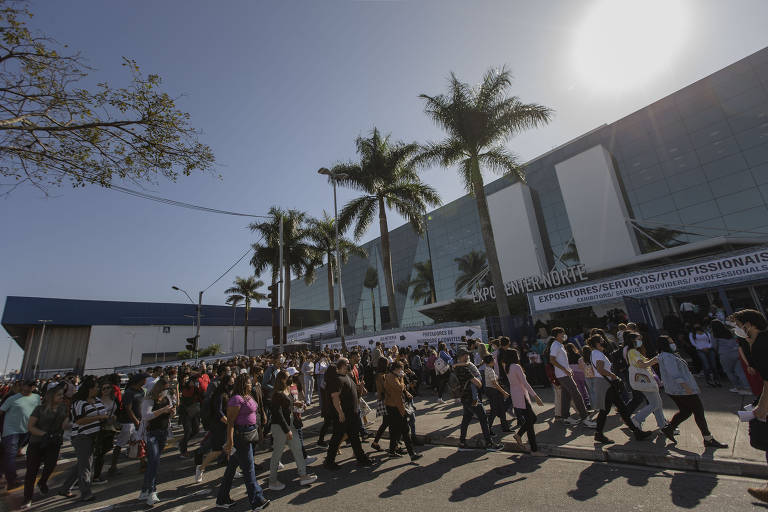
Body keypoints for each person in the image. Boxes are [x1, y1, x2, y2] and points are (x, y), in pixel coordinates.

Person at [655, 335, 728, 449]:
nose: (673, 343)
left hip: (677, 389)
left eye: (672, 341)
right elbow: (674, 373)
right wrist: (686, 387)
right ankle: (708, 438)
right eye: (670, 342)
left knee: (685, 411)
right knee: (698, 411)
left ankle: (668, 429)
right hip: (681, 389)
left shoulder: (667, 355)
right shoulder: (667, 356)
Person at [728, 310, 768, 503]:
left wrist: (762, 406)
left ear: (749, 325)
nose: (737, 329)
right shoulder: (759, 342)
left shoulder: (760, 345)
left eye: (738, 325)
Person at [216, 373, 270, 510]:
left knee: (231, 469)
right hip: (241, 437)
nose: (251, 384)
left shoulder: (248, 396)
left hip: (251, 433)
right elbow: (231, 423)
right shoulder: (236, 400)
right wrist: (230, 441)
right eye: (248, 382)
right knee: (249, 469)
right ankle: (257, 500)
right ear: (243, 384)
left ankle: (222, 498)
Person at [588, 335, 651, 445]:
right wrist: (613, 376)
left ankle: (636, 432)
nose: (604, 342)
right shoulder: (597, 353)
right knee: (605, 410)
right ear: (598, 344)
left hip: (605, 384)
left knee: (622, 408)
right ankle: (598, 434)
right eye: (602, 341)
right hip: (605, 384)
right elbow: (600, 369)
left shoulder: (595, 353)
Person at [58, 376, 109, 502]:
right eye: (97, 387)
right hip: (82, 436)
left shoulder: (97, 400)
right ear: (90, 389)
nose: (98, 389)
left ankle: (65, 488)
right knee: (86, 465)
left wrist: (105, 418)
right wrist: (100, 418)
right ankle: (86, 492)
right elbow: (79, 420)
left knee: (82, 464)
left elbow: (102, 413)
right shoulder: (79, 403)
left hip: (94, 435)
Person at [20, 384, 68, 510]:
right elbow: (30, 427)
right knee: (31, 472)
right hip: (37, 443)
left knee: (51, 465)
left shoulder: (63, 408)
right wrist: (45, 434)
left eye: (62, 395)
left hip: (54, 443)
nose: (62, 397)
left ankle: (42, 481)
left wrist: (68, 423)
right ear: (51, 397)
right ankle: (27, 498)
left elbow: (64, 425)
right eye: (59, 395)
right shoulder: (39, 409)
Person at [268, 370, 317, 490]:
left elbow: (287, 405)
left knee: (298, 448)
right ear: (282, 379)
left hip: (289, 424)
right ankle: (272, 481)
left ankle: (303, 475)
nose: (291, 378)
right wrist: (286, 430)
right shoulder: (277, 394)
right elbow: (278, 414)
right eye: (288, 377)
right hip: (281, 427)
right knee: (277, 455)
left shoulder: (286, 390)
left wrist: (297, 404)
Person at [324, 358, 374, 469]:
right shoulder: (337, 380)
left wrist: (360, 387)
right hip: (344, 415)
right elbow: (335, 397)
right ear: (342, 365)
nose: (349, 365)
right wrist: (340, 413)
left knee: (354, 437)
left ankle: (361, 459)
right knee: (337, 438)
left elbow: (356, 394)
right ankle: (329, 461)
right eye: (347, 364)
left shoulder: (347, 377)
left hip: (352, 414)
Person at [454, 348, 503, 451]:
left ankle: (462, 442)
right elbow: (478, 383)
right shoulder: (465, 369)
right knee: (483, 418)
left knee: (466, 419)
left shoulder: (457, 368)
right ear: (460, 356)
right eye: (465, 355)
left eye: (467, 354)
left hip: (464, 397)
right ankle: (489, 444)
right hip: (472, 398)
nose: (467, 356)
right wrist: (479, 383)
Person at [137, 377, 175, 506]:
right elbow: (146, 416)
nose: (166, 390)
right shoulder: (149, 400)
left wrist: (171, 412)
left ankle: (144, 490)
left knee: (154, 462)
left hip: (163, 432)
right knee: (153, 461)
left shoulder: (166, 398)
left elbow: (169, 413)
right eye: (165, 388)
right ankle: (152, 491)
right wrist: (163, 410)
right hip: (151, 433)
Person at [549, 328, 595, 427]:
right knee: (576, 395)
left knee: (566, 396)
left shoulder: (560, 345)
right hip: (563, 375)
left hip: (565, 374)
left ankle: (565, 417)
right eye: (562, 333)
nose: (564, 335)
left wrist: (568, 369)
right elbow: (552, 360)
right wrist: (564, 370)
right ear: (557, 335)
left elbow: (561, 361)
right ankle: (585, 418)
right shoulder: (555, 345)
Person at [0, 379, 40, 491]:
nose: (29, 388)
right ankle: (12, 480)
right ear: (23, 386)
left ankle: (2, 473)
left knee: (7, 455)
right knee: (10, 455)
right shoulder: (12, 398)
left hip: (26, 431)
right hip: (10, 431)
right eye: (27, 385)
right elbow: (1, 412)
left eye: (32, 386)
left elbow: (38, 411)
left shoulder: (36, 398)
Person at [194, 374, 233, 483]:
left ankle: (232, 469)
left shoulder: (228, 393)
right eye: (231, 382)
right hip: (219, 426)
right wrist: (228, 422)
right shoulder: (219, 395)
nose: (232, 384)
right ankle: (201, 468)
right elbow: (218, 411)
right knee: (217, 451)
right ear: (226, 383)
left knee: (230, 447)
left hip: (226, 424)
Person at [624, 332, 667, 431]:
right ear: (633, 341)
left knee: (657, 403)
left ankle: (663, 425)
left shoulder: (633, 351)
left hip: (645, 381)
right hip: (645, 382)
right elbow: (642, 365)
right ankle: (637, 419)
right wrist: (654, 360)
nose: (641, 341)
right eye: (639, 339)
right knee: (655, 404)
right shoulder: (633, 352)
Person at [382, 361, 422, 461]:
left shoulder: (395, 376)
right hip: (395, 407)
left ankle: (392, 451)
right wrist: (402, 378)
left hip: (396, 405)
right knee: (404, 430)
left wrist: (406, 391)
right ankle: (411, 454)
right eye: (401, 368)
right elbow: (400, 387)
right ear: (396, 369)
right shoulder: (391, 377)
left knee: (396, 430)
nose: (402, 371)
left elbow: (402, 389)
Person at [507, 348, 543, 453]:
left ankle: (520, 436)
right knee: (531, 420)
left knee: (530, 420)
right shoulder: (516, 367)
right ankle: (533, 449)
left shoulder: (508, 367)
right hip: (521, 396)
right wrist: (535, 396)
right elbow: (525, 383)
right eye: (517, 353)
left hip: (516, 395)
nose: (518, 355)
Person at [113, 373, 148, 473]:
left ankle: (143, 464)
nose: (146, 381)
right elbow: (128, 409)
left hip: (138, 420)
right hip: (128, 422)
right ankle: (113, 466)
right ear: (140, 380)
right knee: (120, 443)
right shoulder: (129, 392)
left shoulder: (141, 391)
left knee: (139, 442)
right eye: (144, 379)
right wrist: (135, 421)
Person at [710, 319, 752, 395]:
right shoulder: (729, 331)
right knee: (740, 371)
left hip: (725, 354)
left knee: (729, 371)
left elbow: (714, 346)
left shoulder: (714, 334)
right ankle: (747, 388)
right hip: (736, 352)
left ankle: (737, 387)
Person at [92, 379, 119, 483]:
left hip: (109, 428)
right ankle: (81, 478)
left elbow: (115, 413)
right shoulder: (96, 400)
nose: (106, 390)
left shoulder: (113, 400)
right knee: (95, 454)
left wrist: (114, 417)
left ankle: (96, 476)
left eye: (108, 388)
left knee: (102, 453)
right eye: (104, 388)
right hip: (97, 428)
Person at [483, 355, 511, 433]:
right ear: (491, 361)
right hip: (494, 391)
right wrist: (504, 392)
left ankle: (505, 427)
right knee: (494, 411)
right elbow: (494, 383)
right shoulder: (490, 370)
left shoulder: (488, 369)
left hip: (491, 391)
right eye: (494, 360)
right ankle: (488, 429)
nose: (495, 361)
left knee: (500, 409)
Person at [178, 371, 203, 457]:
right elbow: (188, 397)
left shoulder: (196, 388)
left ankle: (182, 443)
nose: (197, 382)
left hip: (196, 411)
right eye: (195, 380)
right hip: (186, 412)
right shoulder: (186, 388)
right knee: (188, 431)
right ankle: (183, 450)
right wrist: (192, 387)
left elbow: (200, 397)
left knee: (196, 430)